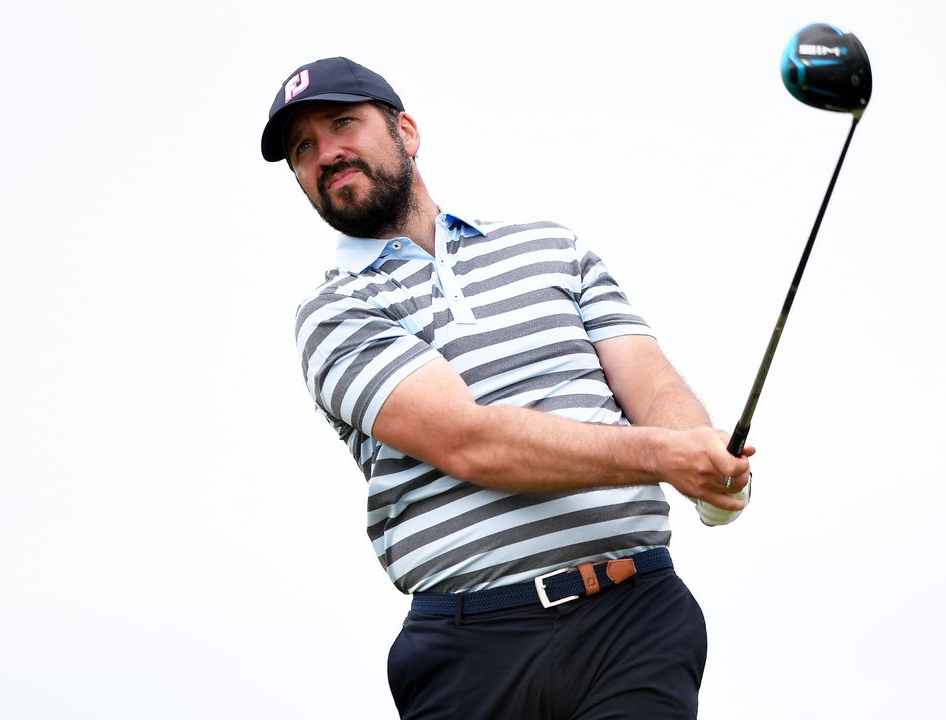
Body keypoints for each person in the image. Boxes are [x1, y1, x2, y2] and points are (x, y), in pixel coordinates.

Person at [261, 56, 753, 720]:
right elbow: (470, 444)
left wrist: (705, 459)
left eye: (342, 123)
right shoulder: (333, 314)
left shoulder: (552, 248)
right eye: (302, 148)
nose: (325, 153)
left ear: (406, 131)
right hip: (470, 653)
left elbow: (651, 380)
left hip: (632, 618)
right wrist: (666, 458)